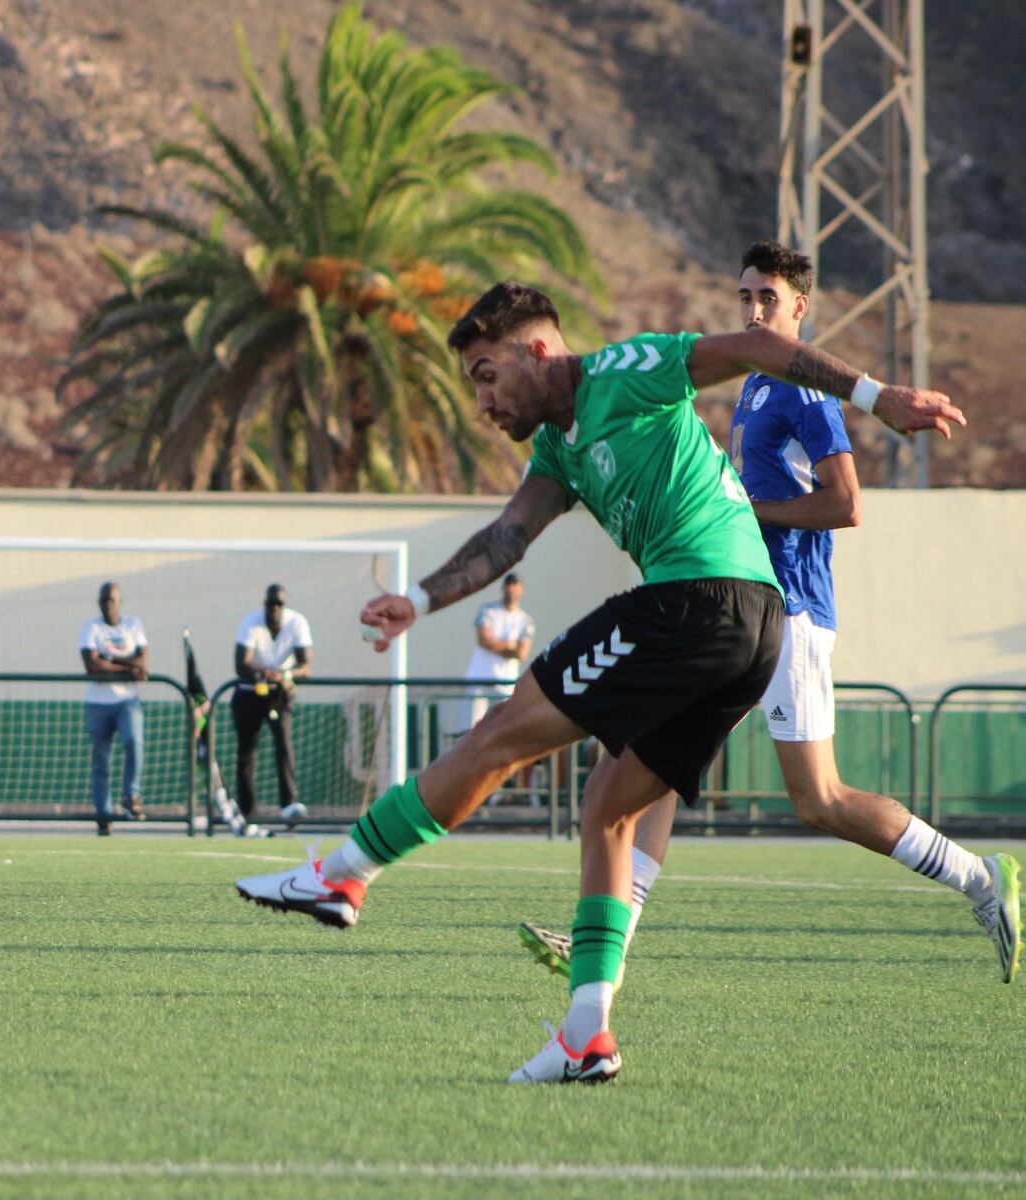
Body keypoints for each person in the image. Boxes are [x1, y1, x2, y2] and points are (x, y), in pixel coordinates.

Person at [235, 280, 966, 1083]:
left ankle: (341, 876)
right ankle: (587, 1034)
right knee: (611, 811)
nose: (482, 402)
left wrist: (879, 395)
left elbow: (757, 347)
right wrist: (417, 601)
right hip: (752, 628)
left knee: (498, 738)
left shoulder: (631, 369)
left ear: (540, 351)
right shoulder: (558, 449)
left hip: (698, 601)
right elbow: (506, 538)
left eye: (486, 374)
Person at [515, 241, 1020, 987]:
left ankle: (981, 878)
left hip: (791, 613)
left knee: (819, 800)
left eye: (768, 300)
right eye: (745, 297)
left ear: (799, 309)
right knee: (648, 755)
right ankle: (604, 937)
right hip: (734, 610)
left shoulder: (803, 390)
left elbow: (846, 504)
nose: (754, 311)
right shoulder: (754, 385)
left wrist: (755, 510)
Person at [232, 584, 312, 830]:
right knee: (247, 751)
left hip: (280, 694)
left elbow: (306, 666)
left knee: (284, 745)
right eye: (270, 604)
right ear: (264, 604)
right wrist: (265, 672)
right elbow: (241, 664)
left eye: (279, 604)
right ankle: (247, 811)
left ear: (284, 606)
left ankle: (289, 806)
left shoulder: (297, 622)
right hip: (250, 692)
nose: (274, 609)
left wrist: (284, 675)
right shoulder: (251, 622)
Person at [459, 572, 536, 804]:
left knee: (502, 740)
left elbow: (522, 653)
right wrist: (510, 645)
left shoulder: (526, 621)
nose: (511, 590)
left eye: (515, 585)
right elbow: (484, 640)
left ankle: (497, 793)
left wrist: (502, 645)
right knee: (473, 737)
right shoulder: (488, 611)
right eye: (508, 585)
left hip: (505, 688)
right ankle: (465, 793)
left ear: (521, 589)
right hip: (479, 684)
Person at [80, 582, 147, 836]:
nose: (108, 604)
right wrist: (127, 669)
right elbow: (91, 666)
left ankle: (132, 795)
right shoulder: (91, 628)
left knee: (134, 742)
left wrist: (111, 660)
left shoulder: (133, 625)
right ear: (99, 602)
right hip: (98, 703)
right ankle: (103, 814)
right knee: (101, 760)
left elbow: (143, 662)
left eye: (112, 600)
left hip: (127, 701)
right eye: (104, 600)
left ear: (120, 602)